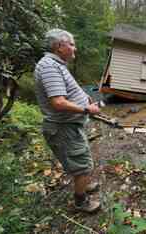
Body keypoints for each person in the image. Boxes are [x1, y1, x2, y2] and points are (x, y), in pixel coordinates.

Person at [34, 29, 101, 213]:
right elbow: (58, 102)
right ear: (59, 46)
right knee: (82, 165)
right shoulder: (49, 67)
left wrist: (84, 97)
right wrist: (87, 109)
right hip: (63, 128)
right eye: (71, 44)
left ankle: (83, 184)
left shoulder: (57, 64)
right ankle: (81, 202)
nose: (74, 48)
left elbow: (66, 91)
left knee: (79, 160)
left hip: (69, 125)